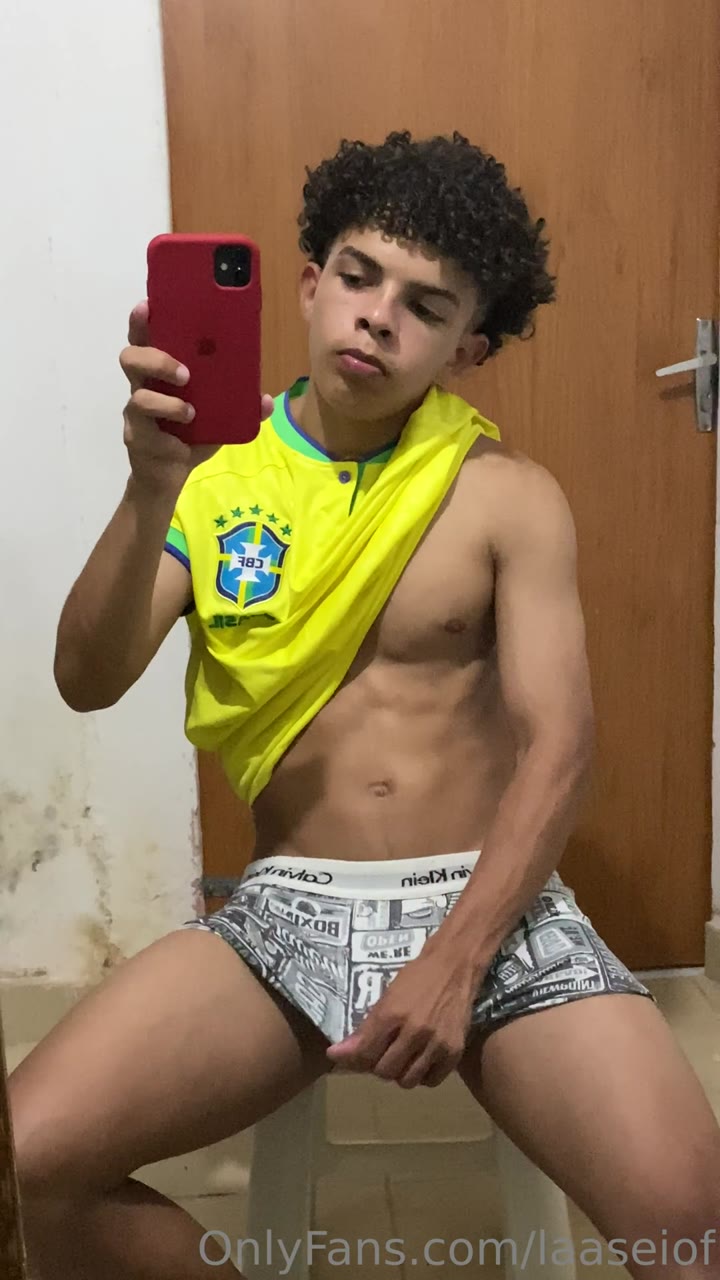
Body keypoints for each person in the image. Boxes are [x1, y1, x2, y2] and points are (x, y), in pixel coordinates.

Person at [9, 130, 720, 1280]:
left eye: (424, 305)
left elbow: (563, 746)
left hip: (492, 903)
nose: (378, 317)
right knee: (26, 1161)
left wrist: (457, 955)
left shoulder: (506, 496)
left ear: (466, 345)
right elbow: (86, 678)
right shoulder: (213, 480)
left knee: (698, 1227)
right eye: (358, 275)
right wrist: (150, 490)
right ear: (310, 283)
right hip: (287, 907)